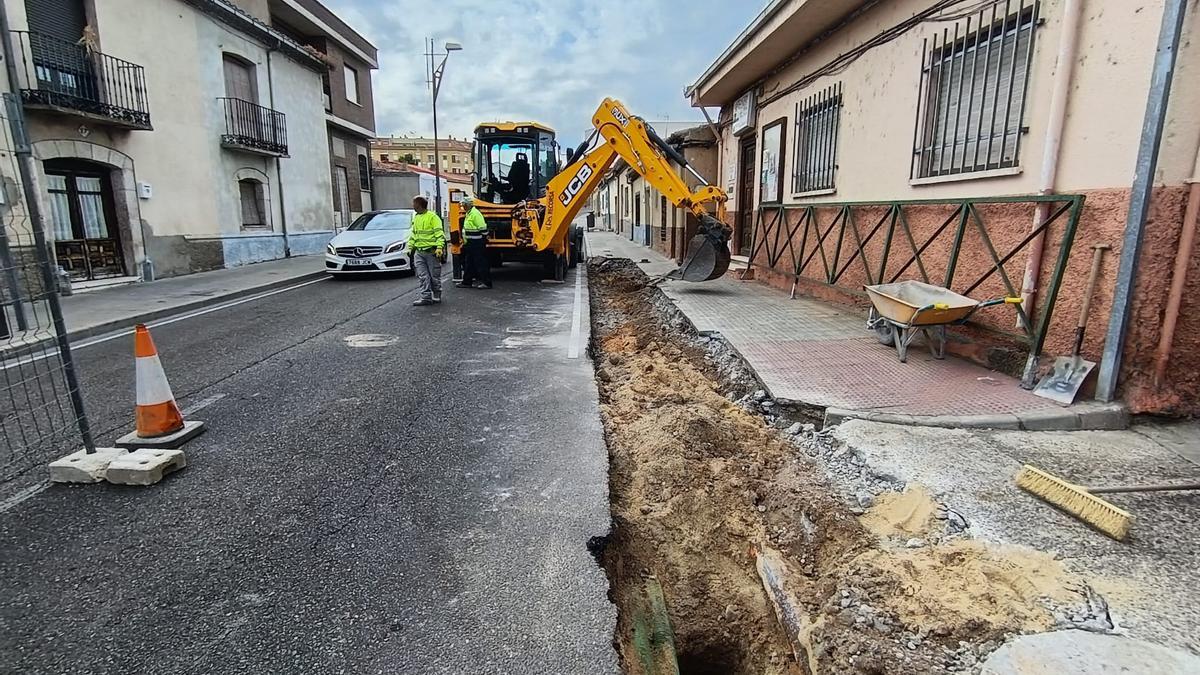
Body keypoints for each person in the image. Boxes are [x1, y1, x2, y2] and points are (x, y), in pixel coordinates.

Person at [408, 196, 445, 306]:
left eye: (414, 203)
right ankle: (426, 297)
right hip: (419, 252)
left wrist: (439, 247)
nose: (412, 205)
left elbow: (439, 234)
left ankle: (436, 295)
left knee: (434, 276)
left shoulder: (433, 217)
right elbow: (414, 234)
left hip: (431, 252)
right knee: (422, 276)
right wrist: (410, 247)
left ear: (419, 205)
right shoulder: (416, 217)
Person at [455, 195, 492, 289]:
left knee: (480, 263)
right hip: (470, 242)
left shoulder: (475, 214)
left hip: (477, 242)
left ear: (468, 205)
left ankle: (487, 283)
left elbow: (482, 227)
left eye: (464, 204)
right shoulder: (469, 213)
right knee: (469, 263)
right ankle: (467, 282)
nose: (463, 206)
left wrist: (484, 238)